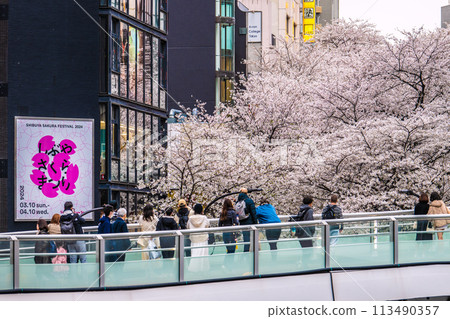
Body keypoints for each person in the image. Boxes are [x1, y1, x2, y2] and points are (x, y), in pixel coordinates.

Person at [187, 204, 210, 271]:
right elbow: (207, 225)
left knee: (194, 254)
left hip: (194, 239)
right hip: (203, 238)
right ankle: (203, 268)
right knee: (203, 254)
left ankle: (194, 269)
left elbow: (188, 227)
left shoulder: (190, 218)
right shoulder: (204, 218)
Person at [236, 188, 258, 252]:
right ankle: (250, 253)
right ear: (246, 193)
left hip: (242, 222)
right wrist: (255, 223)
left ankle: (246, 252)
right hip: (249, 222)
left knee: (246, 239)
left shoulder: (238, 202)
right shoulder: (249, 201)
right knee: (252, 238)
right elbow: (253, 213)